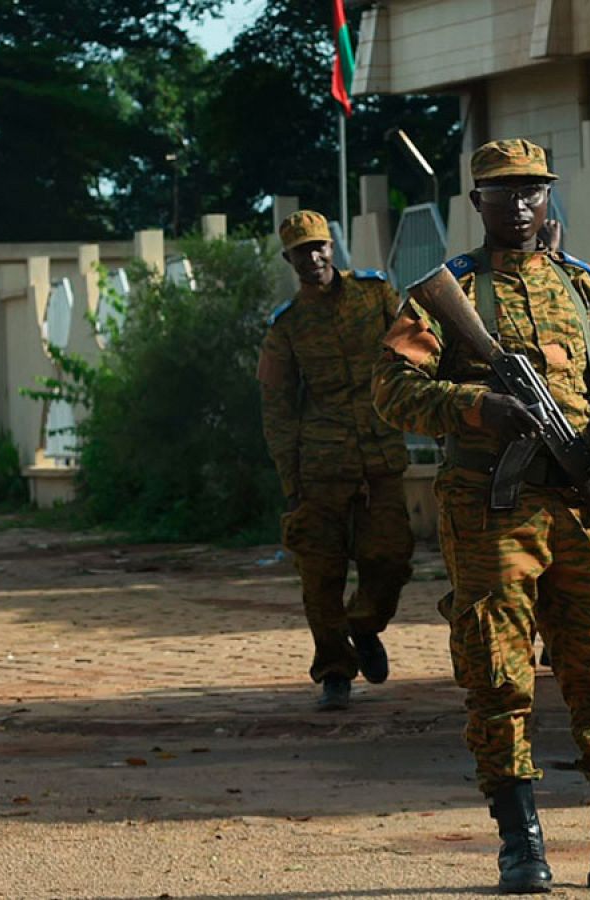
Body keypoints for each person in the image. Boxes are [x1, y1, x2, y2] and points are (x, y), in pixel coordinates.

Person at [373, 139, 590, 896]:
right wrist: (479, 407)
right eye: (502, 192)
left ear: (549, 198)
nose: (519, 204)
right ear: (475, 201)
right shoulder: (451, 293)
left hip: (580, 507)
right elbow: (391, 392)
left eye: (532, 191)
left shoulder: (583, 289)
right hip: (492, 512)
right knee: (498, 674)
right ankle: (521, 847)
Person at [257, 210, 414, 712]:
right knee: (320, 574)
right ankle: (334, 671)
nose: (315, 257)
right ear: (289, 258)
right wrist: (290, 479)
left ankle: (364, 626)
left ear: (333, 247)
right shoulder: (286, 326)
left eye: (320, 246)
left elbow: (414, 353)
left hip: (379, 456)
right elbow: (277, 406)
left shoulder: (375, 295)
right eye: (303, 251)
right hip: (319, 465)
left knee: (390, 558)